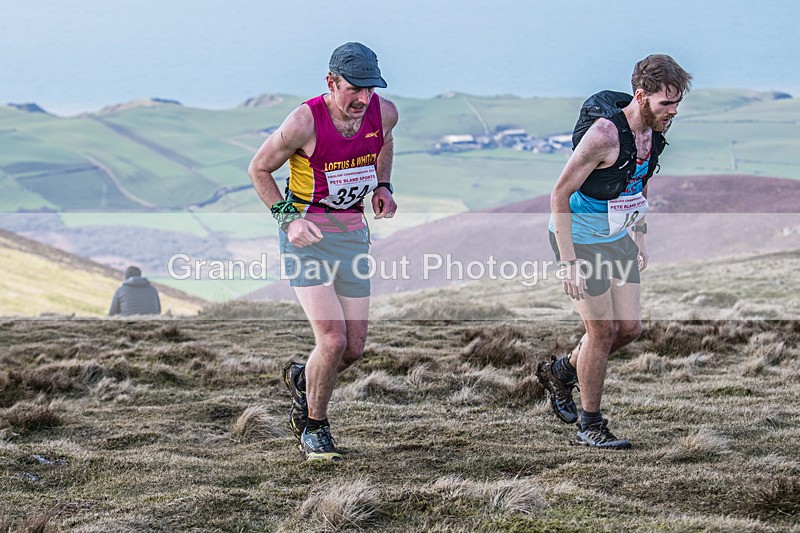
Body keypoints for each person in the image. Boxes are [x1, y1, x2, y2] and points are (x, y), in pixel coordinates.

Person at [248, 42, 398, 461]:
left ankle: (304, 378)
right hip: (306, 234)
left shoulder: (383, 112)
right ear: (331, 82)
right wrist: (287, 219)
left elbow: (385, 142)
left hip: (351, 230)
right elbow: (258, 168)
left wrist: (383, 186)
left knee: (353, 349)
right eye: (354, 89)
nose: (363, 99)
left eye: (370, 89)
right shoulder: (304, 121)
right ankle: (314, 427)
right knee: (331, 340)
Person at [537, 55, 692, 449]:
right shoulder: (604, 136)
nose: (672, 112)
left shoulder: (654, 132)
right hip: (580, 237)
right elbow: (559, 193)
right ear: (641, 96)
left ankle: (561, 370)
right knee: (602, 332)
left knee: (629, 329)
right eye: (665, 104)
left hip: (617, 236)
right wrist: (568, 262)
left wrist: (639, 236)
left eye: (676, 103)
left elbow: (637, 184)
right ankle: (589, 426)